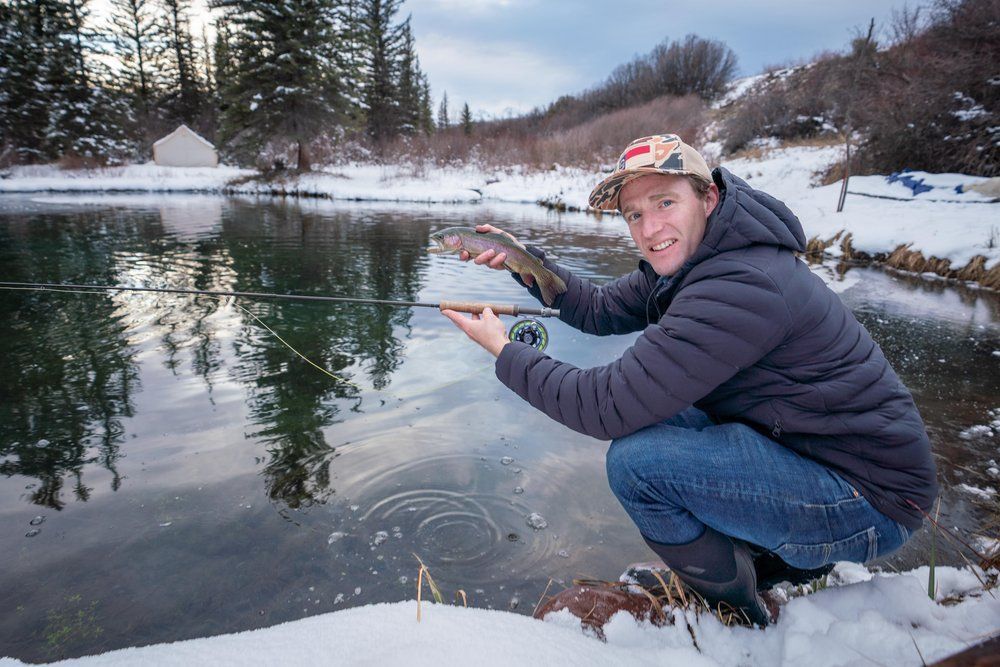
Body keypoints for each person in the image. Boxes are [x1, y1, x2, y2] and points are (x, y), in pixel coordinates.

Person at [441, 134, 937, 625]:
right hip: (815, 452)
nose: (650, 227)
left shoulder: (739, 286)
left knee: (637, 463)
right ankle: (751, 565)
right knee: (659, 415)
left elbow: (601, 404)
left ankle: (738, 611)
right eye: (634, 214)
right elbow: (600, 309)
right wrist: (524, 262)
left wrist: (504, 351)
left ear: (709, 196)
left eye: (665, 201)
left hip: (871, 499)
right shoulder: (700, 259)